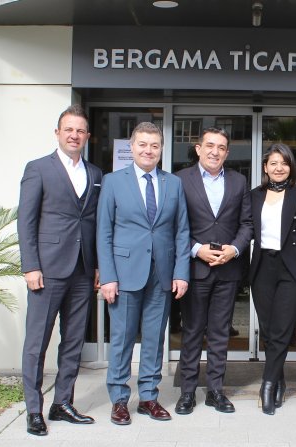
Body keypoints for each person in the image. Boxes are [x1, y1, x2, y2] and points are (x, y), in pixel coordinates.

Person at [96, 122, 190, 426]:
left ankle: (149, 397)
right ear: (132, 147)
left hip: (162, 274)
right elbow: (103, 232)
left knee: (154, 339)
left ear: (161, 149)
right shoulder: (113, 181)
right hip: (124, 274)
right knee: (122, 338)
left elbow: (181, 231)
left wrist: (181, 272)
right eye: (142, 144)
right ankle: (119, 399)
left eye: (154, 145)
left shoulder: (173, 183)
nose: (148, 150)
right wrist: (108, 276)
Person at [18, 104, 102, 436]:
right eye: (69, 129)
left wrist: (97, 265)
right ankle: (33, 409)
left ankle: (62, 403)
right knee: (36, 342)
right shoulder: (38, 168)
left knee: (73, 341)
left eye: (80, 130)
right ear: (57, 133)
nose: (74, 135)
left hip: (82, 270)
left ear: (87, 136)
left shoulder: (95, 174)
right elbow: (26, 221)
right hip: (48, 269)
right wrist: (31, 266)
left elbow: (94, 222)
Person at [174, 127, 252, 415]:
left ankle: (216, 391)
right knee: (192, 331)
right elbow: (175, 224)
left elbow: (247, 223)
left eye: (221, 147)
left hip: (228, 270)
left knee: (220, 333)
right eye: (209, 145)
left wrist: (235, 249)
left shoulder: (239, 181)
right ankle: (187, 392)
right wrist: (196, 249)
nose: (214, 152)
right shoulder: (180, 180)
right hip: (195, 269)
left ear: (227, 153)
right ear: (198, 149)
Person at [248, 143, 296, 415]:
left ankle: (267, 385)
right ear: (265, 167)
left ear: (291, 167)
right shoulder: (254, 195)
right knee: (268, 330)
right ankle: (279, 379)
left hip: (293, 269)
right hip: (263, 267)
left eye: (284, 163)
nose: (279, 168)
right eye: (273, 163)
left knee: (281, 330)